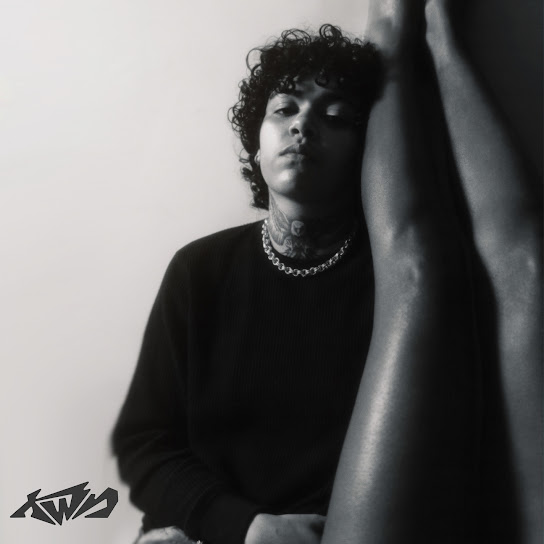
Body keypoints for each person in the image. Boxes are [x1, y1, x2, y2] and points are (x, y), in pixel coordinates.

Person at [112, 1, 542, 542]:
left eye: (335, 117)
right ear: (256, 145)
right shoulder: (200, 271)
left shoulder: (397, 273)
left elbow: (519, 259)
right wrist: (246, 526)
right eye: (283, 109)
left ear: (371, 155)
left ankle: (430, 32)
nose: (302, 125)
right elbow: (145, 446)